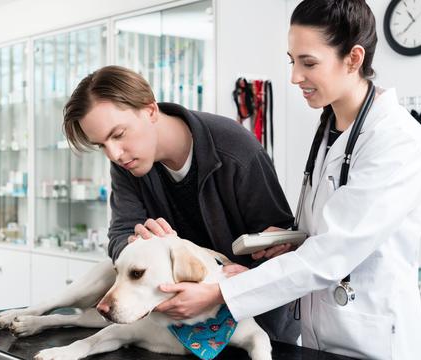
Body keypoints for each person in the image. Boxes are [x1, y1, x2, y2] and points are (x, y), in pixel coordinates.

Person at [142, 1, 421, 359]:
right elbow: (327, 234)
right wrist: (290, 242)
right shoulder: (330, 128)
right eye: (291, 60)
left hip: (374, 339)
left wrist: (223, 292)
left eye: (308, 62)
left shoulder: (396, 139)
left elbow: (331, 255)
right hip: (319, 333)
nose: (295, 76)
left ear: (354, 59)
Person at [62, 65, 300, 343]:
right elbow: (118, 239)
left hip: (256, 326)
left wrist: (234, 283)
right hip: (178, 327)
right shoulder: (125, 165)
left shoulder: (238, 151)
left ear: (150, 111)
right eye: (101, 145)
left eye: (118, 135)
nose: (114, 153)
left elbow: (282, 249)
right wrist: (138, 244)